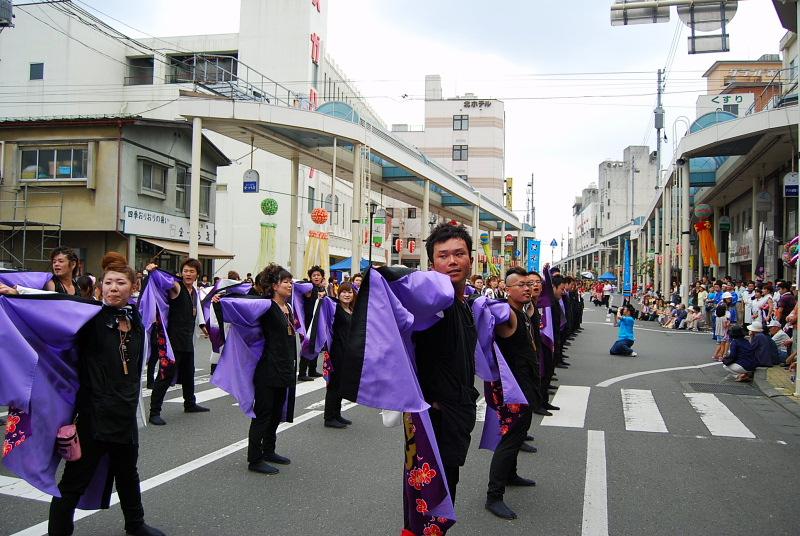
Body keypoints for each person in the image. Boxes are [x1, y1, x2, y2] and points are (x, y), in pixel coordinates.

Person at [48, 253, 165, 536]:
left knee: (127, 474)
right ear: (100, 287)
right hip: (94, 415)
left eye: (120, 283)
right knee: (74, 481)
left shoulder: (136, 320)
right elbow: (52, 307)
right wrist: (17, 293)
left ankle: (135, 525)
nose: (113, 287)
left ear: (133, 287)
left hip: (124, 415)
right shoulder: (89, 317)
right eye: (108, 282)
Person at [411, 223, 479, 504]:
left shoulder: (464, 304)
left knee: (447, 489)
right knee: (431, 499)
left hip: (457, 413)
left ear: (471, 260)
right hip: (434, 416)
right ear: (432, 264)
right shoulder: (430, 305)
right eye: (443, 255)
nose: (452, 261)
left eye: (459, 254)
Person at [485, 267, 538, 520]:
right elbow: (487, 315)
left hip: (527, 382)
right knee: (509, 438)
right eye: (521, 285)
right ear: (508, 289)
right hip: (511, 387)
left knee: (520, 433)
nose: (528, 288)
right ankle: (493, 495)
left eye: (529, 284)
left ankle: (511, 474)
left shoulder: (525, 311)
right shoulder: (506, 314)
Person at [245, 264, 299, 475]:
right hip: (268, 368)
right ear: (275, 286)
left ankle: (269, 450)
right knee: (263, 414)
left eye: (290, 282)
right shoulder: (266, 307)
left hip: (284, 367)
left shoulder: (288, 307)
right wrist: (219, 303)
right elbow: (243, 305)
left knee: (277, 412)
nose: (290, 285)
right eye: (286, 282)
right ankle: (254, 458)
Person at [146, 258, 210, 426]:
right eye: (185, 271)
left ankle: (190, 403)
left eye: (191, 271)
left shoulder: (194, 291)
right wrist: (153, 271)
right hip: (173, 341)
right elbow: (162, 281)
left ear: (197, 274)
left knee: (189, 374)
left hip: (187, 340)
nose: (188, 274)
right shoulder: (177, 287)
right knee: (165, 375)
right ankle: (154, 412)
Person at [323, 281, 356, 429]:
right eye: (343, 291)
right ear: (338, 293)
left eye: (350, 292)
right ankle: (329, 417)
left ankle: (337, 414)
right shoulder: (334, 308)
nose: (347, 294)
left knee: (341, 384)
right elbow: (324, 305)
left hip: (348, 352)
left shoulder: (352, 310)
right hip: (337, 351)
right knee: (334, 385)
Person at [298, 265, 327, 381]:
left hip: (318, 321)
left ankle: (312, 370)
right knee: (307, 345)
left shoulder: (321, 289)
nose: (316, 277)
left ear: (322, 277)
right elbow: (300, 284)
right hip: (308, 321)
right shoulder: (309, 287)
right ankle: (302, 373)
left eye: (318, 275)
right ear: (310, 277)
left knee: (316, 345)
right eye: (313, 275)